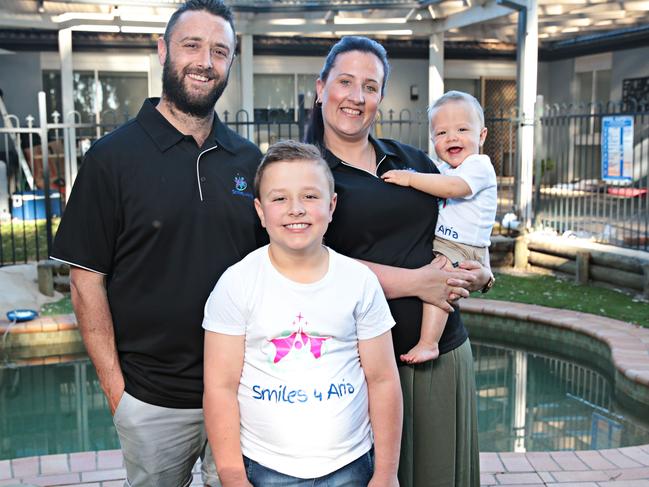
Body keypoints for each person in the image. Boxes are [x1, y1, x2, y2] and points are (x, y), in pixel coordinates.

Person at [50, 1, 264, 485]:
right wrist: (117, 394)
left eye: (219, 51)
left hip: (240, 392)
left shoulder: (248, 160)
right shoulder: (111, 158)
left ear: (230, 62)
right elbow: (85, 280)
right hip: (150, 400)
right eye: (192, 45)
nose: (205, 61)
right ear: (163, 50)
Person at [305, 36, 493, 487]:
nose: (357, 96)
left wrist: (483, 275)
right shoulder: (307, 171)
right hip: (351, 366)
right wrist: (416, 283)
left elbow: (460, 228)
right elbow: (314, 266)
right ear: (320, 87)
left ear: (380, 98)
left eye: (370, 86)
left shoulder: (412, 161)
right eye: (345, 81)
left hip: (438, 356)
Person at [203, 140, 402, 487]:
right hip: (265, 469)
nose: (296, 209)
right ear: (261, 211)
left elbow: (383, 379)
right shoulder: (236, 284)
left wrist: (386, 473)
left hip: (350, 465)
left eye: (310, 196)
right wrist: (232, 475)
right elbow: (220, 387)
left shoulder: (359, 282)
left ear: (331, 205)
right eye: (279, 198)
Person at [381, 91, 497, 364]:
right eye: (442, 132)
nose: (452, 137)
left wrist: (410, 178)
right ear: (433, 140)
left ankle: (429, 342)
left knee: (440, 285)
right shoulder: (445, 169)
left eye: (462, 129)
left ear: (481, 136)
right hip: (455, 243)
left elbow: (455, 189)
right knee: (440, 279)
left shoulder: (478, 166)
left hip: (461, 247)